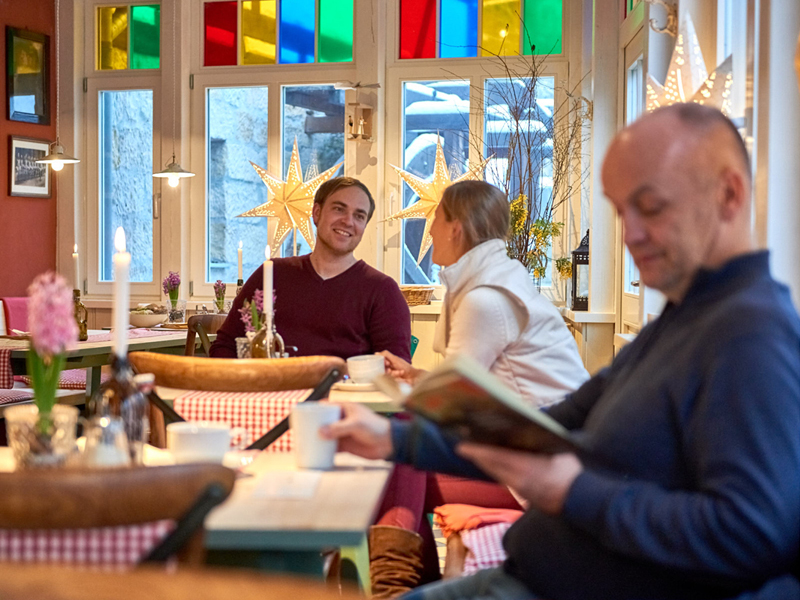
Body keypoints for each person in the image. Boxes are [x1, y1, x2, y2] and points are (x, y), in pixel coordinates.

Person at [323, 103, 800, 600]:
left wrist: (572, 490)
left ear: (729, 195)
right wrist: (392, 440)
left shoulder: (750, 332)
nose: (630, 234)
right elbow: (548, 426)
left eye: (651, 206)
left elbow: (751, 534)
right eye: (622, 211)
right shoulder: (683, 320)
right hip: (524, 574)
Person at [367, 180, 589, 599]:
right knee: (404, 472)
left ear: (456, 228)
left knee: (399, 467)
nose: (430, 229)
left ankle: (396, 588)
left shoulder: (485, 300)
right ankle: (409, 586)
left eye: (435, 218)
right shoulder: (500, 281)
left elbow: (451, 405)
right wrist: (417, 377)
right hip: (546, 452)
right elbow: (483, 379)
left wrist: (403, 412)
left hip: (541, 468)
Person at [210, 177, 411, 361]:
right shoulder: (273, 274)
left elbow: (396, 370)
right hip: (273, 388)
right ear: (316, 213)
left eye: (359, 216)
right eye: (339, 209)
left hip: (343, 390)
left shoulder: (382, 291)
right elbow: (225, 346)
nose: (348, 221)